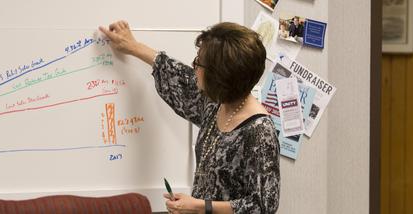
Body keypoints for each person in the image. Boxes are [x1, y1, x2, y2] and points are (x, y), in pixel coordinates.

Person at [99, 20, 280, 214]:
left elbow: (263, 206)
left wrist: (200, 206)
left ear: (220, 76)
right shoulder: (217, 103)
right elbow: (181, 79)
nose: (194, 67)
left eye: (199, 63)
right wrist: (133, 47)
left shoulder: (260, 131)